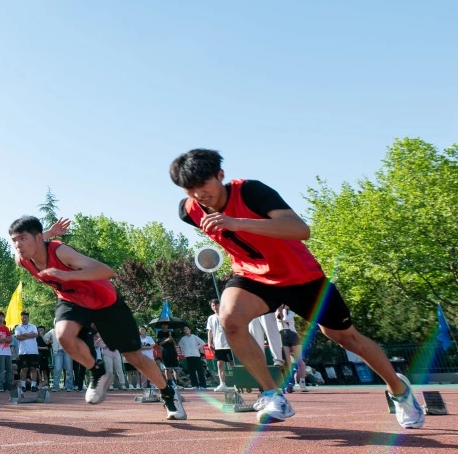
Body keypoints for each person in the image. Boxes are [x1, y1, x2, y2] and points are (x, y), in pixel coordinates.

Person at [170, 148, 423, 428]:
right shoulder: (189, 211)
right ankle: (271, 395)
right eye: (190, 189)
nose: (198, 195)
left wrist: (236, 222)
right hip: (253, 277)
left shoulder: (252, 192)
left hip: (301, 276)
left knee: (346, 338)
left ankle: (400, 390)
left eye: (203, 185)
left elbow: (300, 229)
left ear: (220, 175)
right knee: (230, 319)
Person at [9, 215, 185, 420]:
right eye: (14, 240)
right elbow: (34, 240)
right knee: (63, 335)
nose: (17, 244)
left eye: (23, 239)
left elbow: (106, 270)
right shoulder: (22, 259)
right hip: (72, 300)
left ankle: (168, 393)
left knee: (133, 356)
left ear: (38, 238)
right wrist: (48, 232)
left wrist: (67, 275)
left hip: (104, 301)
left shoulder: (61, 252)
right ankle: (98, 371)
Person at [276, 304, 306, 392]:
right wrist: (280, 310)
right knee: (287, 362)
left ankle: (302, 382)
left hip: (293, 334)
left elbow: (285, 319)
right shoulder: (276, 311)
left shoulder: (291, 311)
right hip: (282, 335)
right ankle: (289, 384)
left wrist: (284, 310)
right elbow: (278, 319)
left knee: (300, 361)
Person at [206, 299, 232, 391]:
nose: (215, 307)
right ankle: (222, 384)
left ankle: (239, 383)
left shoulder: (226, 315)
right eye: (213, 305)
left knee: (233, 363)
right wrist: (209, 342)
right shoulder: (211, 318)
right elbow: (210, 331)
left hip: (229, 344)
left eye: (216, 305)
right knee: (220, 364)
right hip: (218, 345)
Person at [12, 312, 40, 392]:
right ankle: (23, 386)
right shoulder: (18, 327)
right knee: (24, 369)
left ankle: (33, 386)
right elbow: (18, 337)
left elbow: (35, 335)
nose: (24, 319)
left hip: (33, 351)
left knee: (33, 368)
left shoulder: (33, 326)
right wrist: (28, 335)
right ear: (20, 318)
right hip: (23, 351)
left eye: (26, 317)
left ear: (28, 318)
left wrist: (24, 334)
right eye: (23, 317)